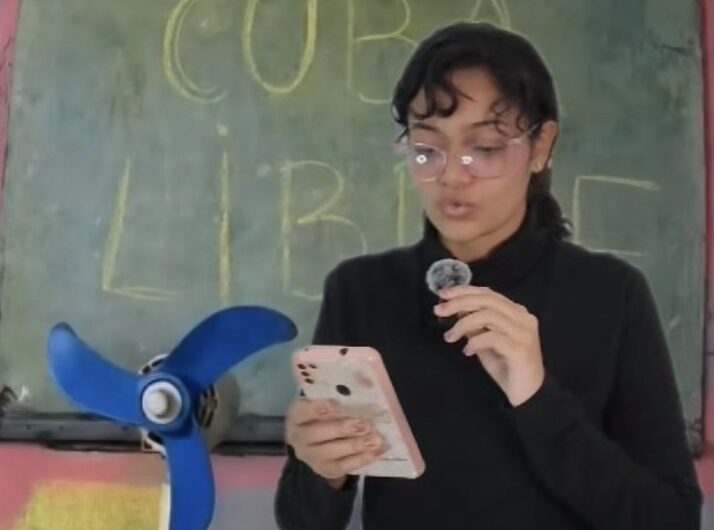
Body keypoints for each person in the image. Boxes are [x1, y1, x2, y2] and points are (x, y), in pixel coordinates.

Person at [273, 22, 702, 530]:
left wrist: (536, 397)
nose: (453, 175)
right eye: (427, 149)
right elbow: (302, 523)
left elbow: (671, 519)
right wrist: (323, 470)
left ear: (541, 146)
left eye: (486, 148)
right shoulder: (362, 291)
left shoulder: (610, 295)